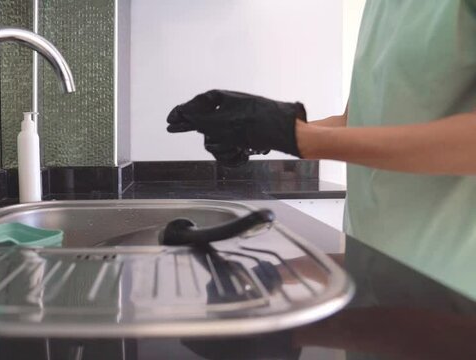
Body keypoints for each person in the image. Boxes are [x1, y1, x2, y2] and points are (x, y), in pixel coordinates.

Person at [166, 0, 476, 299]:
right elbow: (358, 120)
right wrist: (264, 131)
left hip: (454, 301)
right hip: (376, 288)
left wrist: (295, 136)